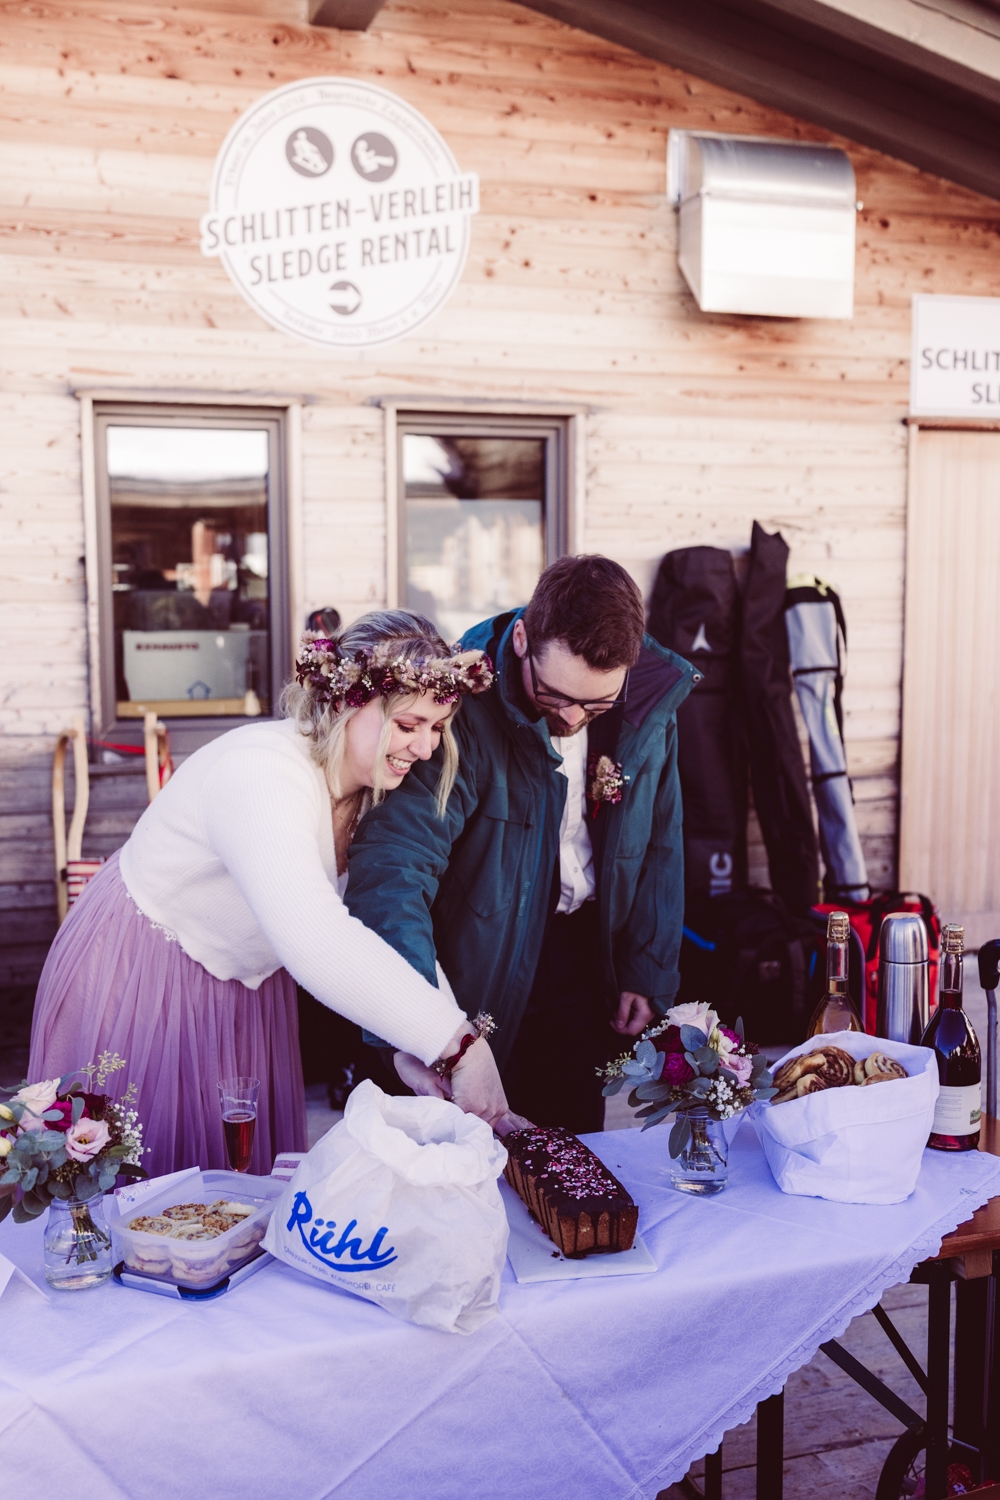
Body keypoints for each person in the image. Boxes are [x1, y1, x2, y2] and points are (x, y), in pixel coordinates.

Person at [29, 611, 511, 1177]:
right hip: (142, 972)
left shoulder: (373, 792)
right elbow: (315, 934)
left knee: (230, 1195)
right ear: (345, 701)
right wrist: (458, 1044)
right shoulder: (260, 770)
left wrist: (422, 1041)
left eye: (438, 728)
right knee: (133, 1185)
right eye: (409, 725)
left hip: (246, 994)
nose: (426, 748)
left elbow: (386, 921)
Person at [345, 556, 698, 1133]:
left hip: (584, 959)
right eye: (555, 696)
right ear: (522, 640)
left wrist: (646, 967)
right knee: (461, 1146)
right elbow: (395, 865)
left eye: (597, 704)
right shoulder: (461, 702)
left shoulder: (648, 704)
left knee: (567, 1148)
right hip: (475, 957)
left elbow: (661, 838)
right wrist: (421, 1024)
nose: (574, 718)